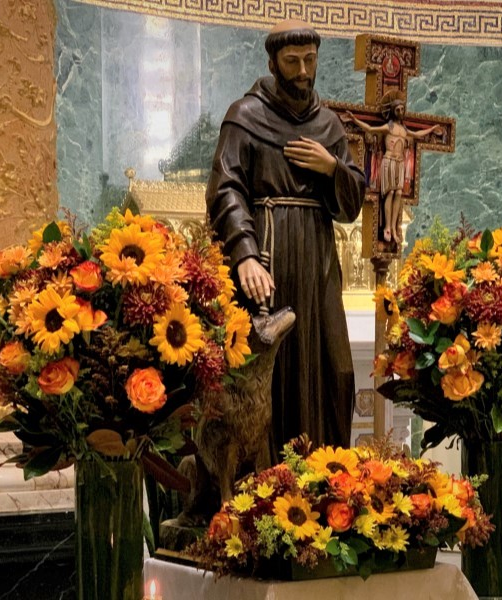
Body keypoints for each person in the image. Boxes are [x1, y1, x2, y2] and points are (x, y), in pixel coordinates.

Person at [205, 20, 366, 455]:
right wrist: (244, 255)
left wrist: (333, 167)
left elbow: (351, 207)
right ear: (272, 62)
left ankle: (323, 482)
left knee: (333, 371)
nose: (302, 71)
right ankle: (262, 493)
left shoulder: (328, 125)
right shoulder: (245, 116)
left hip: (317, 268)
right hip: (267, 259)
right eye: (292, 61)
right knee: (269, 377)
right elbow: (225, 188)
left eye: (309, 61)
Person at [343, 91, 444, 244]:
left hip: (399, 163)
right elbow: (370, 129)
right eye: (397, 109)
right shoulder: (388, 127)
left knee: (398, 192)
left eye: (402, 109)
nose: (400, 112)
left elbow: (417, 134)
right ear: (392, 111)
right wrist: (354, 119)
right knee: (389, 193)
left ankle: (394, 227)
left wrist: (432, 129)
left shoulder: (403, 130)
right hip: (388, 161)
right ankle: (387, 228)